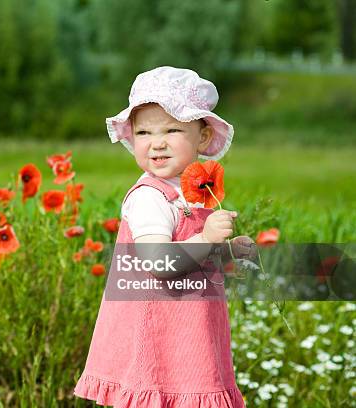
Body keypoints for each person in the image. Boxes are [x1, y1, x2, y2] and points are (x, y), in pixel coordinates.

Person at [74, 66, 256, 407]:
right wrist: (206, 240)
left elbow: (196, 258)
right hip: (158, 340)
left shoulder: (192, 193)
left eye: (172, 129)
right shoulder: (150, 197)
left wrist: (227, 249)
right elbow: (158, 262)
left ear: (201, 137)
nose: (156, 142)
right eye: (143, 132)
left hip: (189, 337)